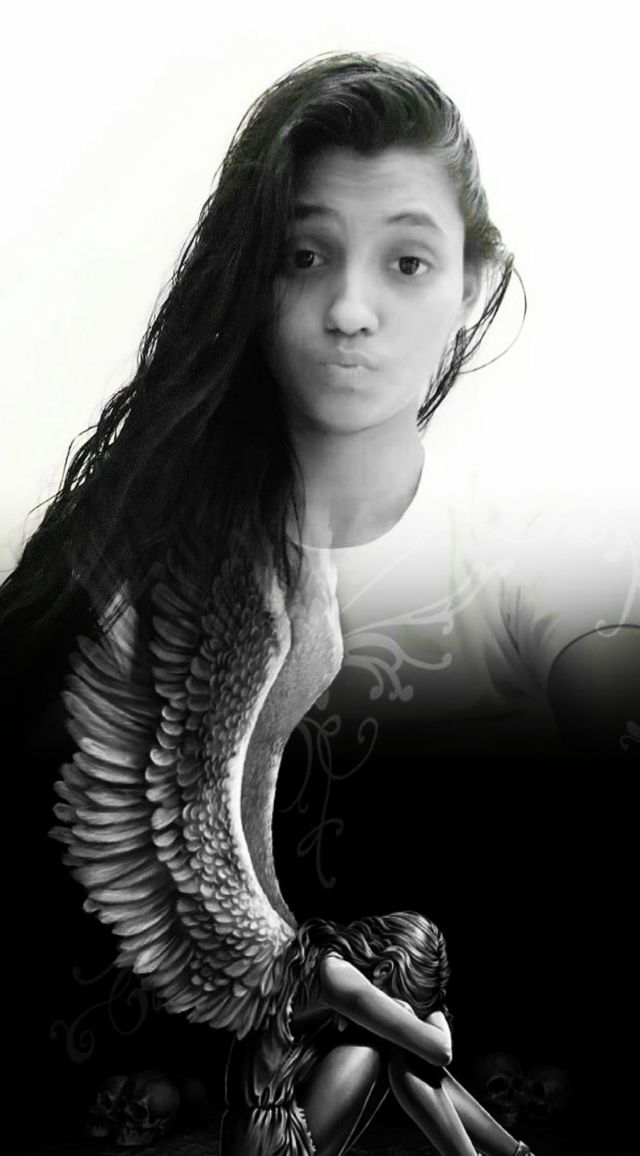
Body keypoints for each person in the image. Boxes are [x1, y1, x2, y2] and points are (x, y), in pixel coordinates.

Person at [222, 911, 534, 1156]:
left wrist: (418, 1010)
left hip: (272, 1133)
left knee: (399, 1041)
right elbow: (441, 1050)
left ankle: (515, 1154)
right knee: (392, 1040)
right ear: (384, 970)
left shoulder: (327, 966)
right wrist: (430, 1010)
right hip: (265, 1144)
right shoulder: (334, 974)